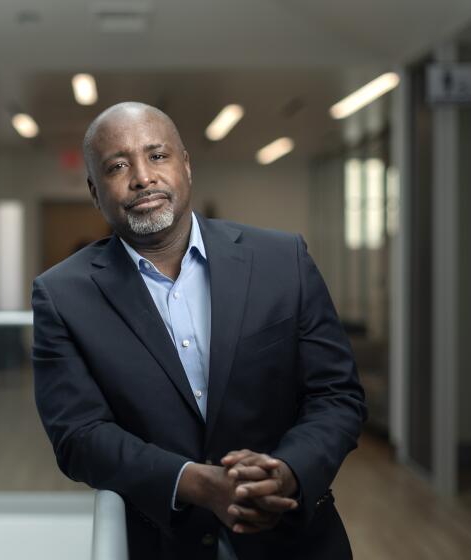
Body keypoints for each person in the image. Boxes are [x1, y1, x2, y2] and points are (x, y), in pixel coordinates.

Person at [32, 101, 366, 559]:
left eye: (158, 155)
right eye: (117, 165)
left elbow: (337, 395)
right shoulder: (63, 295)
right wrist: (193, 482)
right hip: (164, 542)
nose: (143, 177)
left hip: (294, 538)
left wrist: (286, 469)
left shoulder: (281, 260)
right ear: (95, 190)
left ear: (186, 165)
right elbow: (79, 436)